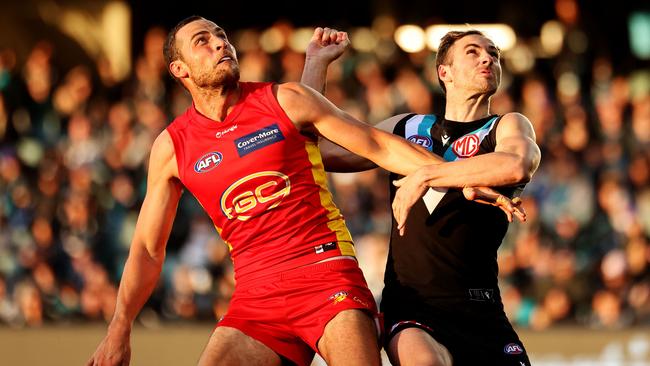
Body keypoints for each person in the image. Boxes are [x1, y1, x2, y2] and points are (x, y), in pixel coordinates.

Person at [86, 17, 520, 366]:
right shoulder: (172, 147)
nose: (221, 44)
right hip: (255, 296)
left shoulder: (286, 100)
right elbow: (146, 248)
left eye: (222, 35)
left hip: (328, 275)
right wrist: (119, 327)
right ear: (179, 69)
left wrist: (463, 176)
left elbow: (378, 145)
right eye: (203, 41)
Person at [306, 30, 541, 365]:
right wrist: (316, 64)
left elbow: (517, 164)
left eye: (494, 53)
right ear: (444, 72)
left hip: (481, 308)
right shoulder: (407, 128)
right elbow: (323, 150)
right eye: (473, 52)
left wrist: (426, 174)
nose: (488, 58)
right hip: (413, 305)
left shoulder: (505, 126)